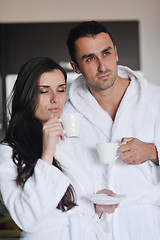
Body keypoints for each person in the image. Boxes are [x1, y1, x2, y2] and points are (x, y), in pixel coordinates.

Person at [0, 57, 117, 240]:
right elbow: (26, 219)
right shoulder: (9, 152)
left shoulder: (70, 140)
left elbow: (76, 208)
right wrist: (47, 153)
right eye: (44, 91)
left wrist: (96, 206)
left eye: (61, 90)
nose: (56, 99)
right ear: (26, 95)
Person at [64, 21, 160, 240]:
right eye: (90, 58)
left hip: (150, 225)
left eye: (106, 53)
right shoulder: (67, 115)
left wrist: (153, 151)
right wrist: (89, 204)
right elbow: (63, 182)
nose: (102, 66)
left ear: (116, 53)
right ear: (75, 66)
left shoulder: (155, 100)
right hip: (96, 229)